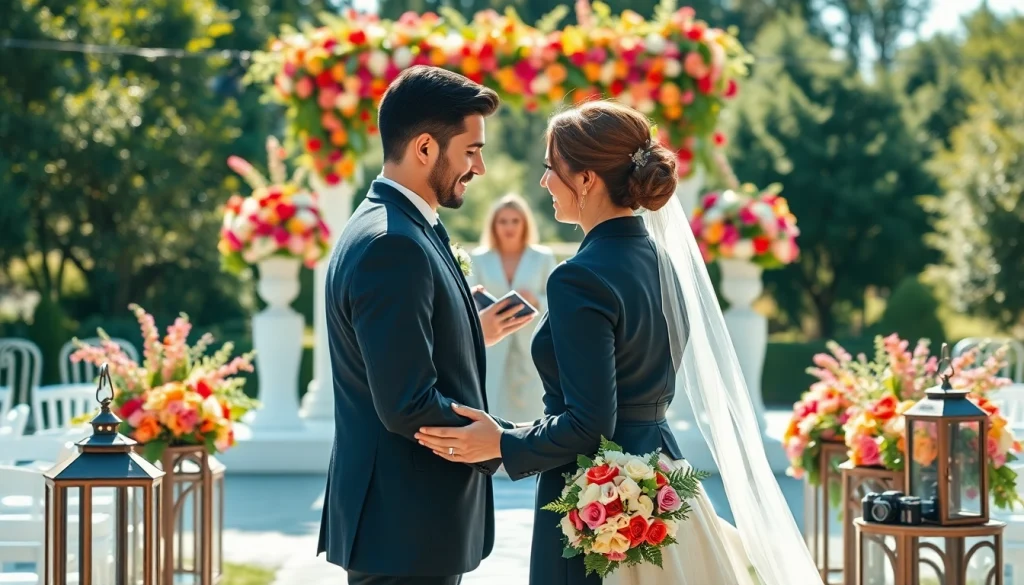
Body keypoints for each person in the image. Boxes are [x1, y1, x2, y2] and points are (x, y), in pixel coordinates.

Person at [416, 101, 824, 585]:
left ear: (587, 179)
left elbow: (590, 423)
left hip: (598, 503)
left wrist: (502, 443)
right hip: (662, 479)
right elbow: (624, 400)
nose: (544, 182)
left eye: (551, 168)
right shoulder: (661, 261)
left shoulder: (578, 278)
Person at [317, 65, 535, 585]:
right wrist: (512, 442)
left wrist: (469, 330)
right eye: (471, 150)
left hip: (406, 528)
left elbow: (397, 352)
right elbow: (408, 404)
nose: (479, 167)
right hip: (405, 529)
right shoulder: (393, 244)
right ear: (424, 148)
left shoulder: (396, 224)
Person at [468, 194, 557, 424]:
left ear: (525, 223)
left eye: (515, 221)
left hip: (532, 347)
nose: (509, 227)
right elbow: (467, 303)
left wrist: (536, 300)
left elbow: (558, 301)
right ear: (493, 225)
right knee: (492, 408)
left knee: (535, 412)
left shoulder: (542, 257)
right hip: (492, 348)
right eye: (503, 221)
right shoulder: (478, 258)